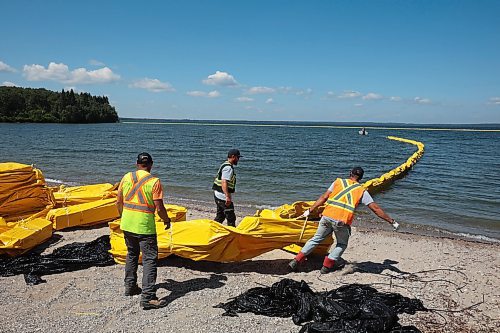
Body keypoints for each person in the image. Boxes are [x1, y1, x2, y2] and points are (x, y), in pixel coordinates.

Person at [289, 167, 399, 274]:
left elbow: (323, 197)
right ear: (361, 178)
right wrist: (391, 221)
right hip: (341, 221)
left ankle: (296, 261)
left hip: (326, 216)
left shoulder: (338, 182)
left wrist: (309, 210)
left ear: (350, 173)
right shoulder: (362, 191)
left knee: (316, 239)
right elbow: (376, 209)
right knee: (341, 244)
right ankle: (326, 267)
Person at [116, 152, 171, 310]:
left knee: (132, 254)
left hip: (127, 224)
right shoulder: (154, 182)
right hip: (145, 227)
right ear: (151, 164)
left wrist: (123, 216)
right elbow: (159, 208)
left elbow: (118, 201)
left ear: (137, 164)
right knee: (149, 259)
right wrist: (166, 220)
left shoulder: (127, 177)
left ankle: (130, 286)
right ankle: (147, 298)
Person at [212, 148, 241, 227]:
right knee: (231, 217)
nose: (238, 159)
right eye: (238, 157)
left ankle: (212, 230)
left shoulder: (225, 164)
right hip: (222, 196)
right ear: (233, 156)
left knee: (220, 216)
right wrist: (227, 196)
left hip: (217, 194)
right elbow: (224, 182)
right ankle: (232, 236)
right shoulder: (228, 168)